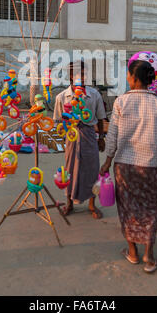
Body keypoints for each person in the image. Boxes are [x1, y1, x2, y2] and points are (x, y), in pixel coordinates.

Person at [100, 60, 157, 274]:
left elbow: (112, 136)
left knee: (127, 207)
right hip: (148, 165)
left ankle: (132, 251)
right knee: (149, 207)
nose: (127, 79)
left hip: (123, 165)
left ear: (134, 78)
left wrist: (107, 161)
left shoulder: (121, 102)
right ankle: (149, 256)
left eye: (128, 75)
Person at [53, 61, 106, 219]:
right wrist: (65, 129)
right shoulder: (62, 97)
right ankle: (69, 202)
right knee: (70, 170)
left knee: (92, 170)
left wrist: (101, 137)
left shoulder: (94, 95)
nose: (84, 77)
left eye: (85, 74)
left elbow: (101, 118)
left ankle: (92, 204)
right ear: (71, 76)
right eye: (80, 74)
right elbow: (57, 122)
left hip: (89, 135)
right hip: (71, 137)